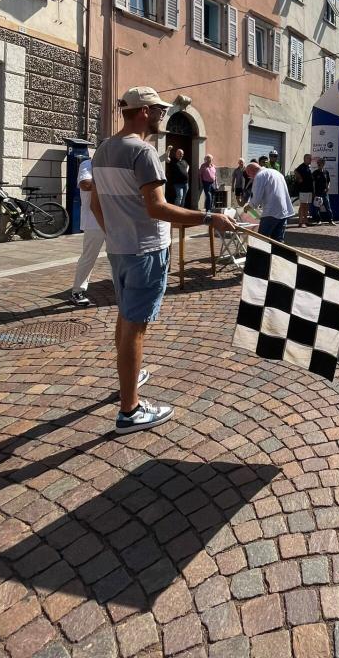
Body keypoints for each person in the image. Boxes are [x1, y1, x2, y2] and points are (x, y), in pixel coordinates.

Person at [90, 86, 236, 434]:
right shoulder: (143, 151)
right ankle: (130, 410)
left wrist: (115, 233)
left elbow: (95, 204)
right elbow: (157, 207)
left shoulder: (104, 149)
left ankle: (129, 376)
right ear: (143, 112)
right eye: (157, 111)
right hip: (146, 249)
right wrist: (208, 217)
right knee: (135, 326)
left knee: (126, 316)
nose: (161, 116)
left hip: (120, 248)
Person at [70, 156, 106, 308]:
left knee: (118, 255)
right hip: (94, 222)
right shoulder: (88, 164)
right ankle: (77, 291)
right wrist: (111, 184)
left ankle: (121, 287)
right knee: (89, 257)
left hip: (114, 220)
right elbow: (85, 184)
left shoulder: (113, 166)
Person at [243, 160, 294, 242]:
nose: (250, 177)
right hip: (284, 211)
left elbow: (256, 197)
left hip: (271, 212)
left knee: (262, 240)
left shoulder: (259, 176)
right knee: (278, 241)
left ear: (250, 171)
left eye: (249, 175)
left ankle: (262, 251)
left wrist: (249, 206)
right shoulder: (276, 173)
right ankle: (277, 251)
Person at [312, 158, 335, 225]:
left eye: (320, 164)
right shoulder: (315, 173)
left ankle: (330, 220)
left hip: (324, 193)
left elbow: (328, 181)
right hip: (317, 193)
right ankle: (318, 221)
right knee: (317, 208)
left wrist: (328, 187)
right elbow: (313, 183)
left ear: (323, 164)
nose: (319, 165)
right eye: (318, 164)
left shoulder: (326, 172)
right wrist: (314, 192)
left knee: (328, 207)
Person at [294, 153, 314, 228]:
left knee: (307, 206)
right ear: (305, 159)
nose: (310, 160)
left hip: (309, 190)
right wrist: (299, 178)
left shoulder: (309, 167)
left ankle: (306, 221)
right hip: (303, 190)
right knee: (302, 206)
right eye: (309, 158)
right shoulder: (301, 167)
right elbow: (295, 171)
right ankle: (300, 222)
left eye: (311, 159)